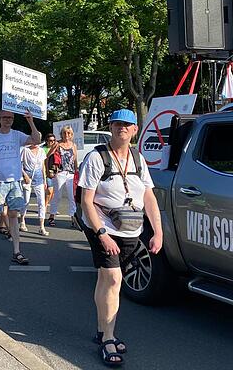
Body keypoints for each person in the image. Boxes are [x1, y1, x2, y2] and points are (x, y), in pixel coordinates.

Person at [78, 109, 163, 366]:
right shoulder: (96, 158)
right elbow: (86, 201)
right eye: (117, 124)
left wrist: (158, 231)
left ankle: (101, 329)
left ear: (135, 130)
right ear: (111, 127)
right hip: (103, 228)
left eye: (127, 125)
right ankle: (108, 339)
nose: (122, 129)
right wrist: (102, 234)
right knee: (114, 279)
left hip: (131, 230)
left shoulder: (138, 159)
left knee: (106, 279)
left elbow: (149, 197)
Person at [0, 110, 41, 264]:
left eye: (10, 118)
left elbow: (36, 140)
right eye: (4, 117)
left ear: (13, 120)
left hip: (15, 182)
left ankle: (16, 251)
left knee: (13, 214)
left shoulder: (17, 135)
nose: (7, 120)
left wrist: (30, 121)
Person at [47, 126, 78, 228]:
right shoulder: (57, 144)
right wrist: (48, 170)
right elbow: (48, 156)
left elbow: (75, 160)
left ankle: (73, 216)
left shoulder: (73, 145)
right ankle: (52, 215)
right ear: (61, 134)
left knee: (72, 196)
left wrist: (77, 171)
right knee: (58, 195)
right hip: (60, 172)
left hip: (71, 173)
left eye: (69, 133)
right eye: (65, 133)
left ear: (71, 134)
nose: (67, 135)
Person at [19, 140, 49, 236]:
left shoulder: (41, 151)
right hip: (27, 176)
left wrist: (45, 180)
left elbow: (43, 166)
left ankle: (41, 226)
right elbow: (19, 164)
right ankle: (22, 221)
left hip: (38, 177)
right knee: (26, 200)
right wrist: (25, 176)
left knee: (41, 202)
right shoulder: (25, 150)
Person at [43, 133, 57, 209]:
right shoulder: (43, 149)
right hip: (47, 172)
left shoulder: (57, 148)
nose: (52, 142)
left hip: (55, 172)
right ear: (46, 141)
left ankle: (51, 207)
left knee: (53, 192)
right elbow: (43, 162)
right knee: (49, 190)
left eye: (53, 140)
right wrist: (46, 172)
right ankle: (44, 207)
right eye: (50, 140)